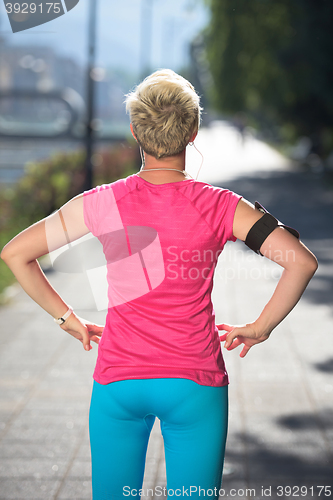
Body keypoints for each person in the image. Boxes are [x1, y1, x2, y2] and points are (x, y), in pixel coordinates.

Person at [1, 69, 318, 500]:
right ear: (193, 131)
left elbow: (15, 254)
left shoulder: (102, 201)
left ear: (135, 132)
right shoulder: (223, 205)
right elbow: (299, 262)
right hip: (195, 384)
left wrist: (68, 319)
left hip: (118, 383)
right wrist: (261, 326)